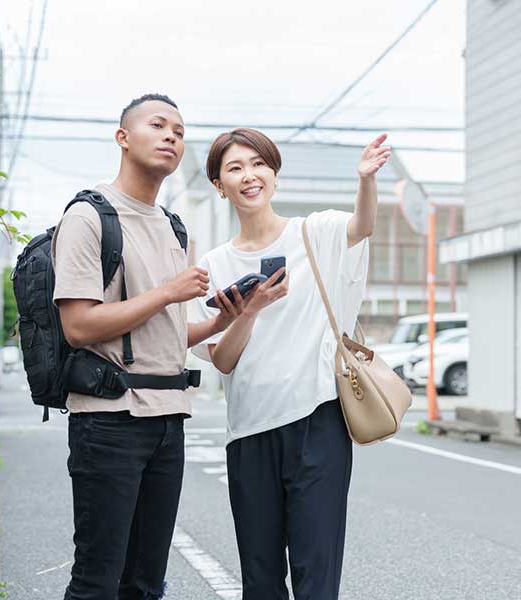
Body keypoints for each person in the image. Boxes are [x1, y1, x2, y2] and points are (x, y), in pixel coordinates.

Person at [52, 93, 240, 600]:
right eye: (158, 125)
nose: (170, 137)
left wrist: (225, 317)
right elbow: (79, 325)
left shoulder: (172, 226)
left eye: (179, 132)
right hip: (108, 420)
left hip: (167, 419)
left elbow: (166, 334)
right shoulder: (90, 217)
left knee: (146, 582)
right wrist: (168, 292)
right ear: (123, 137)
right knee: (97, 579)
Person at [192, 127, 390, 599]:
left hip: (318, 421)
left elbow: (361, 226)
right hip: (250, 431)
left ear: (274, 175)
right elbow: (222, 361)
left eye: (258, 164)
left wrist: (366, 179)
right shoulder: (214, 265)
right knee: (260, 579)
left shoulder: (313, 232)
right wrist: (251, 309)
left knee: (316, 571)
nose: (249, 175)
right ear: (219, 186)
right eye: (234, 168)